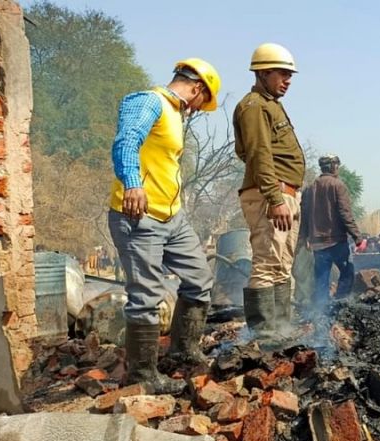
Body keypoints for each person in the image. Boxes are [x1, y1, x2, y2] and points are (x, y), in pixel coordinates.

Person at [108, 58, 221, 393]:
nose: (199, 110)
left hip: (172, 217)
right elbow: (126, 142)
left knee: (200, 280)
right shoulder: (149, 101)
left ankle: (184, 350)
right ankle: (143, 376)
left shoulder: (173, 114)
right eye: (203, 103)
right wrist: (132, 183)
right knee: (146, 295)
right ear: (197, 88)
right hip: (139, 216)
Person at [234, 43, 304, 340]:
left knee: (281, 266)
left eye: (290, 75)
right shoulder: (255, 106)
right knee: (266, 264)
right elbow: (258, 153)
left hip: (281, 192)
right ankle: (264, 337)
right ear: (263, 72)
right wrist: (275, 198)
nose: (288, 80)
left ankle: (280, 332)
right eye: (282, 74)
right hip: (271, 194)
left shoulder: (270, 104)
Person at [298, 154, 363, 317]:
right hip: (336, 241)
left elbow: (303, 216)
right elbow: (345, 214)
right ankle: (339, 306)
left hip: (317, 244)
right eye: (337, 166)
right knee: (347, 272)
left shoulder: (309, 188)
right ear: (334, 166)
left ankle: (321, 314)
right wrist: (357, 237)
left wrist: (303, 237)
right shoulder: (337, 185)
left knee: (321, 280)